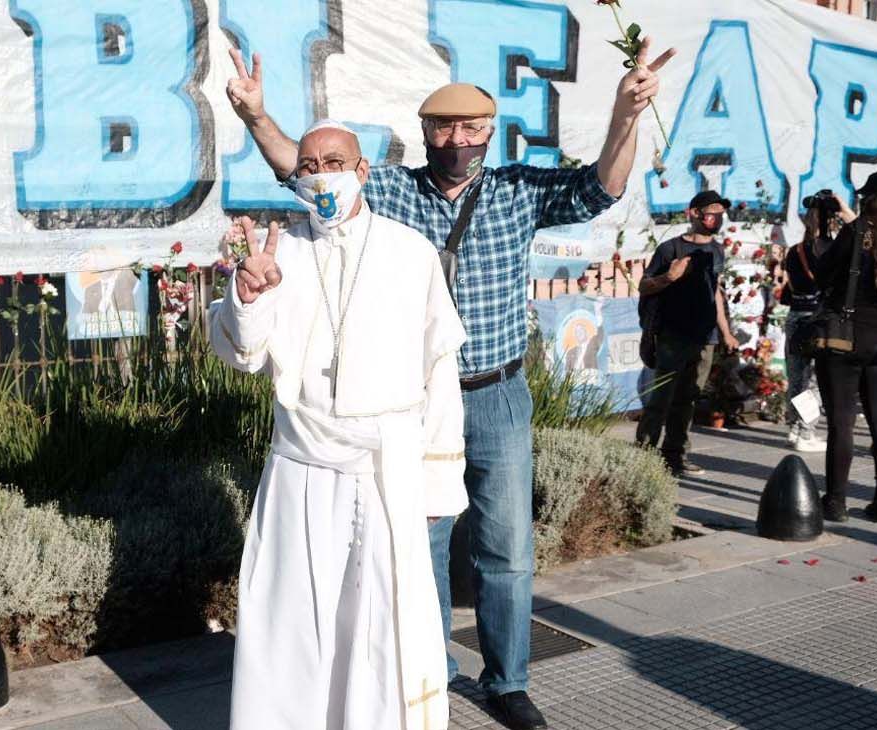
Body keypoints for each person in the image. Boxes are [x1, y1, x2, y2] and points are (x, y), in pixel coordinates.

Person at [225, 37, 674, 730]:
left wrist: (625, 115)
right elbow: (309, 167)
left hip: (495, 392)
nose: (457, 138)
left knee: (506, 546)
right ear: (424, 133)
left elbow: (603, 187)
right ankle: (428, 670)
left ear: (490, 133)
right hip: (413, 404)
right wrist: (257, 117)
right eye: (443, 127)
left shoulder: (521, 191)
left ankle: (509, 682)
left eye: (471, 128)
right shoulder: (392, 189)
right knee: (419, 544)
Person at [210, 121, 468, 730]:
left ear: (361, 171)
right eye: (307, 165)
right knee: (294, 623)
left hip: (388, 469)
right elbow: (241, 354)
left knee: (380, 624)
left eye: (333, 161)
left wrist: (437, 481)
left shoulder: (410, 251)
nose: (319, 173)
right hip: (301, 467)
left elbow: (440, 372)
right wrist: (249, 298)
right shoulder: (280, 252)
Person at [815, 171, 877, 524]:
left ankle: (837, 502)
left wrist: (819, 233)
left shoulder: (855, 232)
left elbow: (821, 273)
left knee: (842, 422)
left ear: (871, 198)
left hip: (848, 337)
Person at [634, 191, 741, 475]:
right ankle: (642, 458)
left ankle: (675, 455)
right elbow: (644, 286)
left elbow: (715, 291)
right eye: (712, 210)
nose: (717, 216)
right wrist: (669, 277)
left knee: (688, 399)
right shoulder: (670, 249)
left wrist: (726, 332)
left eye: (721, 211)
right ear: (693, 213)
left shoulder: (717, 250)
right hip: (673, 335)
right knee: (661, 398)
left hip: (706, 338)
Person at [778, 195, 856, 452]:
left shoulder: (795, 251)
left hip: (795, 318)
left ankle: (795, 429)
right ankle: (807, 432)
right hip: (820, 320)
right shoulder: (832, 249)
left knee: (797, 378)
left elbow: (790, 290)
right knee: (816, 380)